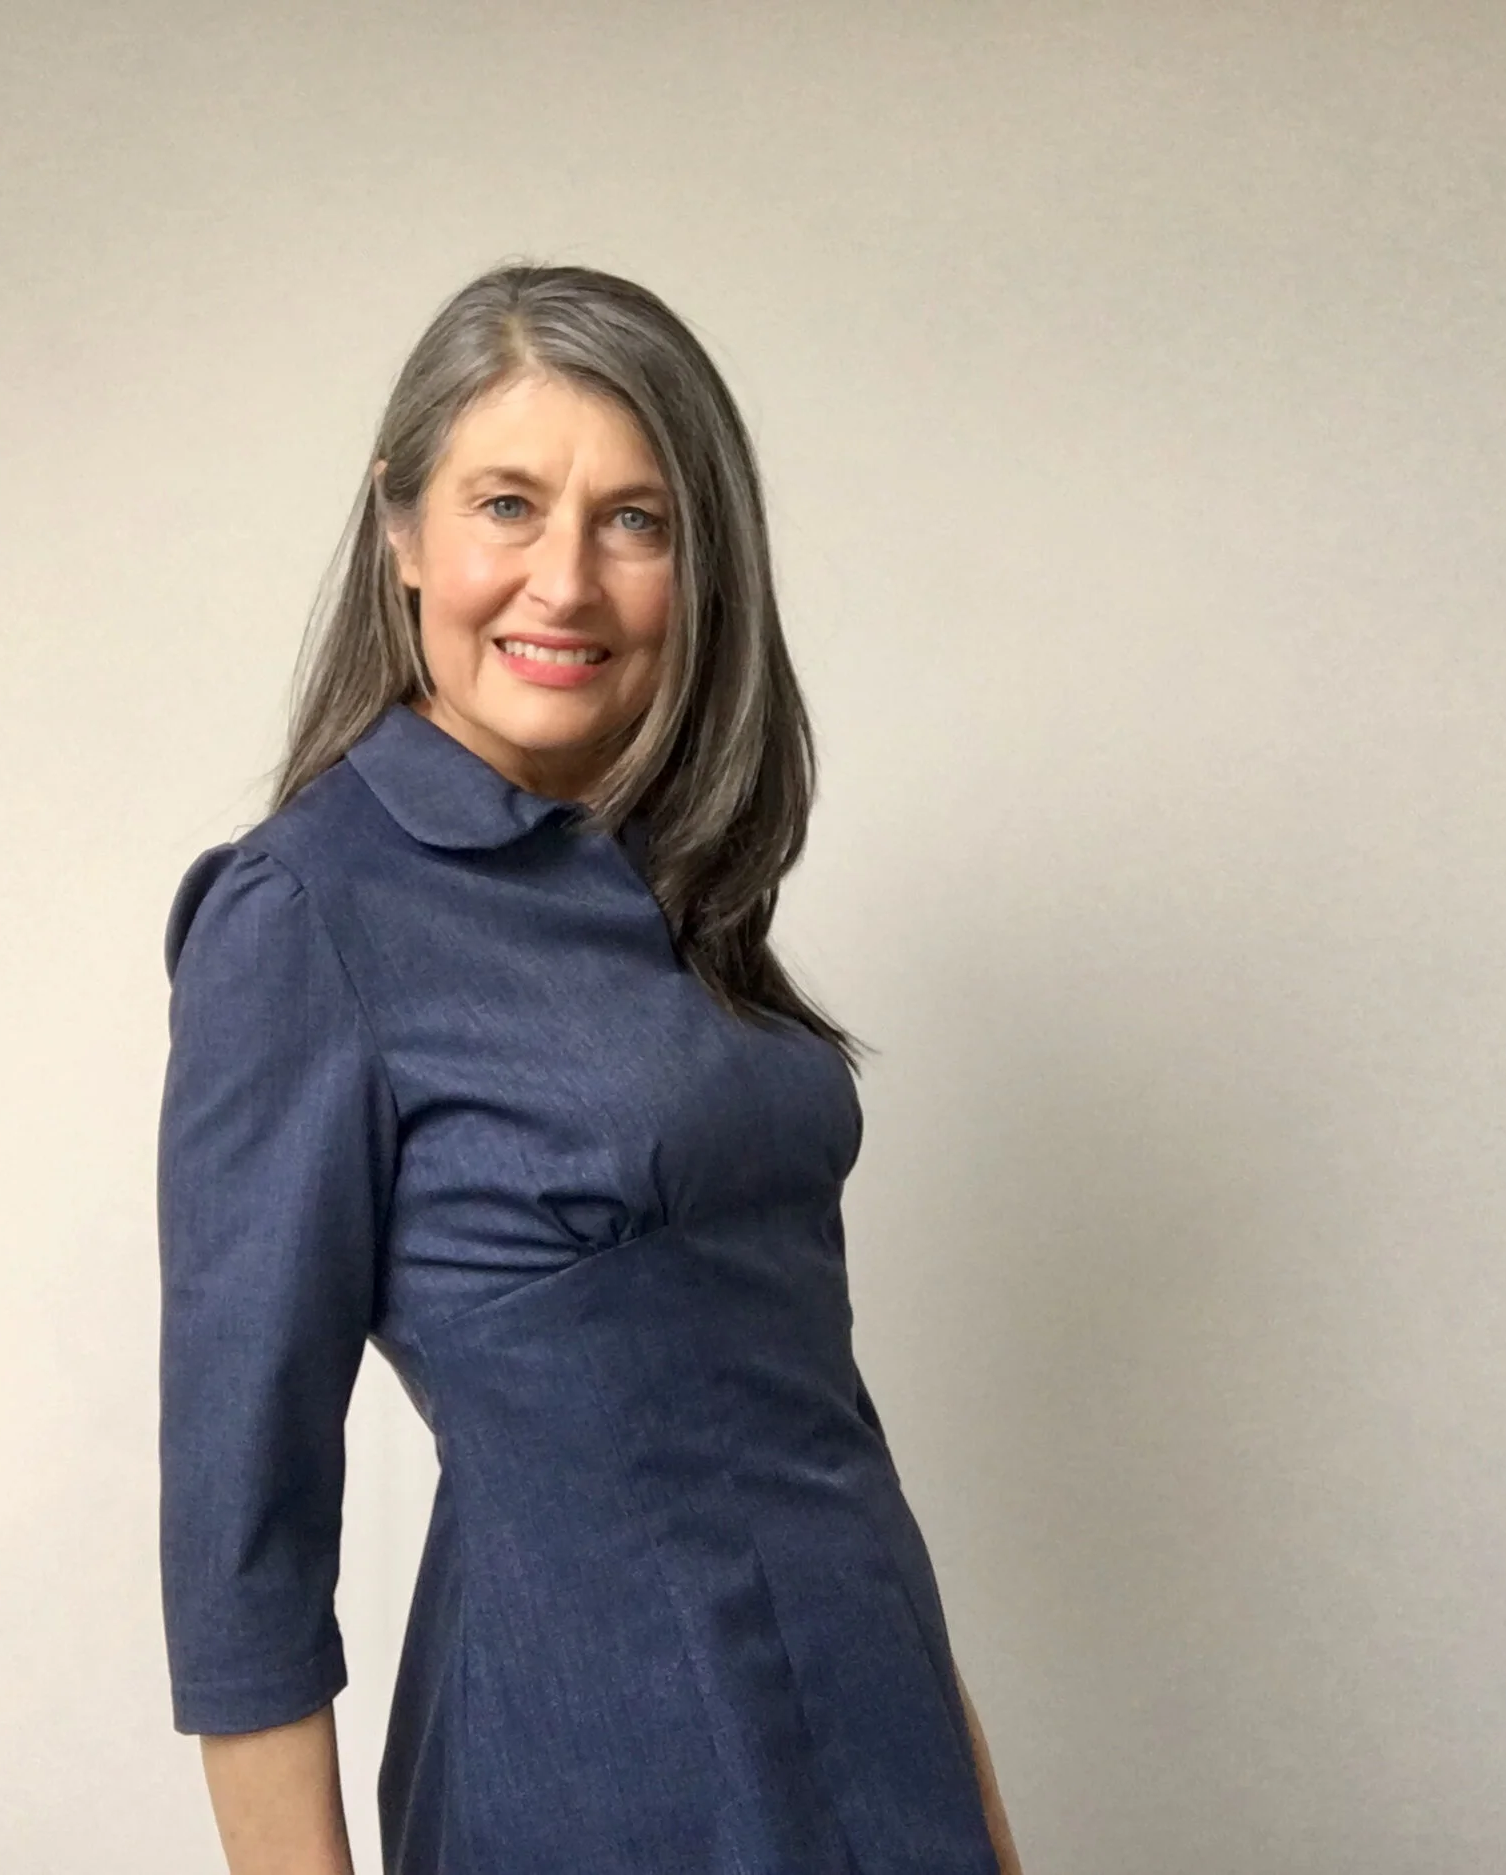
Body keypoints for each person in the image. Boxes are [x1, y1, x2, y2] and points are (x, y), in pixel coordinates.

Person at [156, 262, 1024, 1875]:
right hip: (596, 1784)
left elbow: (824, 1425)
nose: (564, 581)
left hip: (879, 1750)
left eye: (635, 520)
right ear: (402, 529)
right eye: (507, 504)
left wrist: (978, 1819)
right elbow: (240, 1535)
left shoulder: (678, 879)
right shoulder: (306, 913)